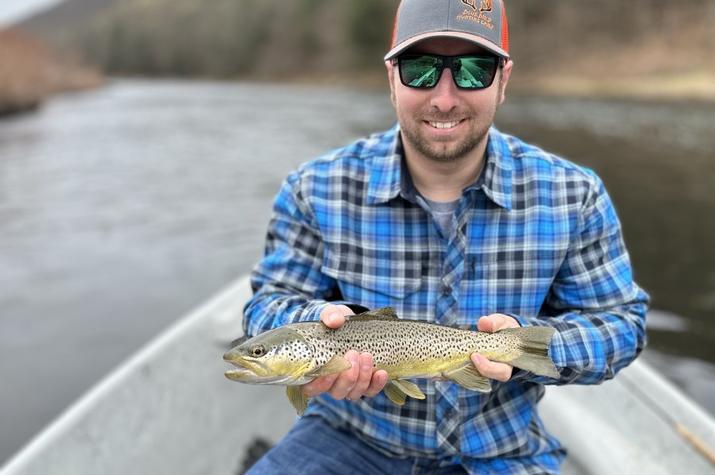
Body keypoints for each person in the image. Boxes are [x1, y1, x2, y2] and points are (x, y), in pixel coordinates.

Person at [242, 0, 649, 473]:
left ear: (504, 80)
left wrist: (526, 349)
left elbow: (622, 323)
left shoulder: (573, 195)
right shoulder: (314, 188)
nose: (445, 97)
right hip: (347, 437)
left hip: (499, 450)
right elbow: (268, 302)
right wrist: (319, 326)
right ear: (392, 77)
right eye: (421, 69)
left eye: (474, 70)